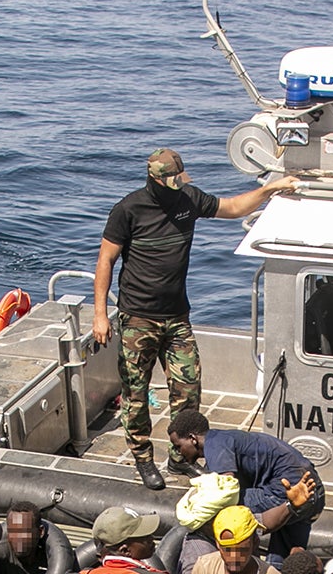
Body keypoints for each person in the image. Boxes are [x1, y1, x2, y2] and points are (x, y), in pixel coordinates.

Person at [93, 148, 296, 489]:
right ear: (154, 179)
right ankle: (143, 458)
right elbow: (105, 260)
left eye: (179, 180)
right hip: (138, 318)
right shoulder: (129, 209)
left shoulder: (188, 198)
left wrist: (268, 190)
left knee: (188, 392)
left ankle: (179, 459)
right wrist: (100, 315)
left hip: (177, 316)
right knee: (136, 394)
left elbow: (230, 208)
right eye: (170, 181)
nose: (177, 187)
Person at [166, 412, 324, 559]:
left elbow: (223, 493)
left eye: (178, 446)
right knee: (285, 559)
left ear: (193, 439)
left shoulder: (214, 445)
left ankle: (245, 563)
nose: (178, 452)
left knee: (229, 513)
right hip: (312, 492)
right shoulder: (224, 439)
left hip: (289, 492)